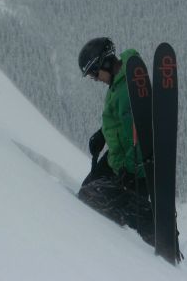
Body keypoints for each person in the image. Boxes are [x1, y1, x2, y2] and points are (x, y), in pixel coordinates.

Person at [77, 37, 154, 245]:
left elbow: (139, 135)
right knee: (86, 195)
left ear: (106, 62)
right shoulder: (117, 83)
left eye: (94, 72)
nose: (94, 78)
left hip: (131, 170)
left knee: (103, 207)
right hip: (116, 160)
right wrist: (102, 134)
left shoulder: (128, 89)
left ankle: (147, 241)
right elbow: (121, 123)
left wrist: (129, 172)